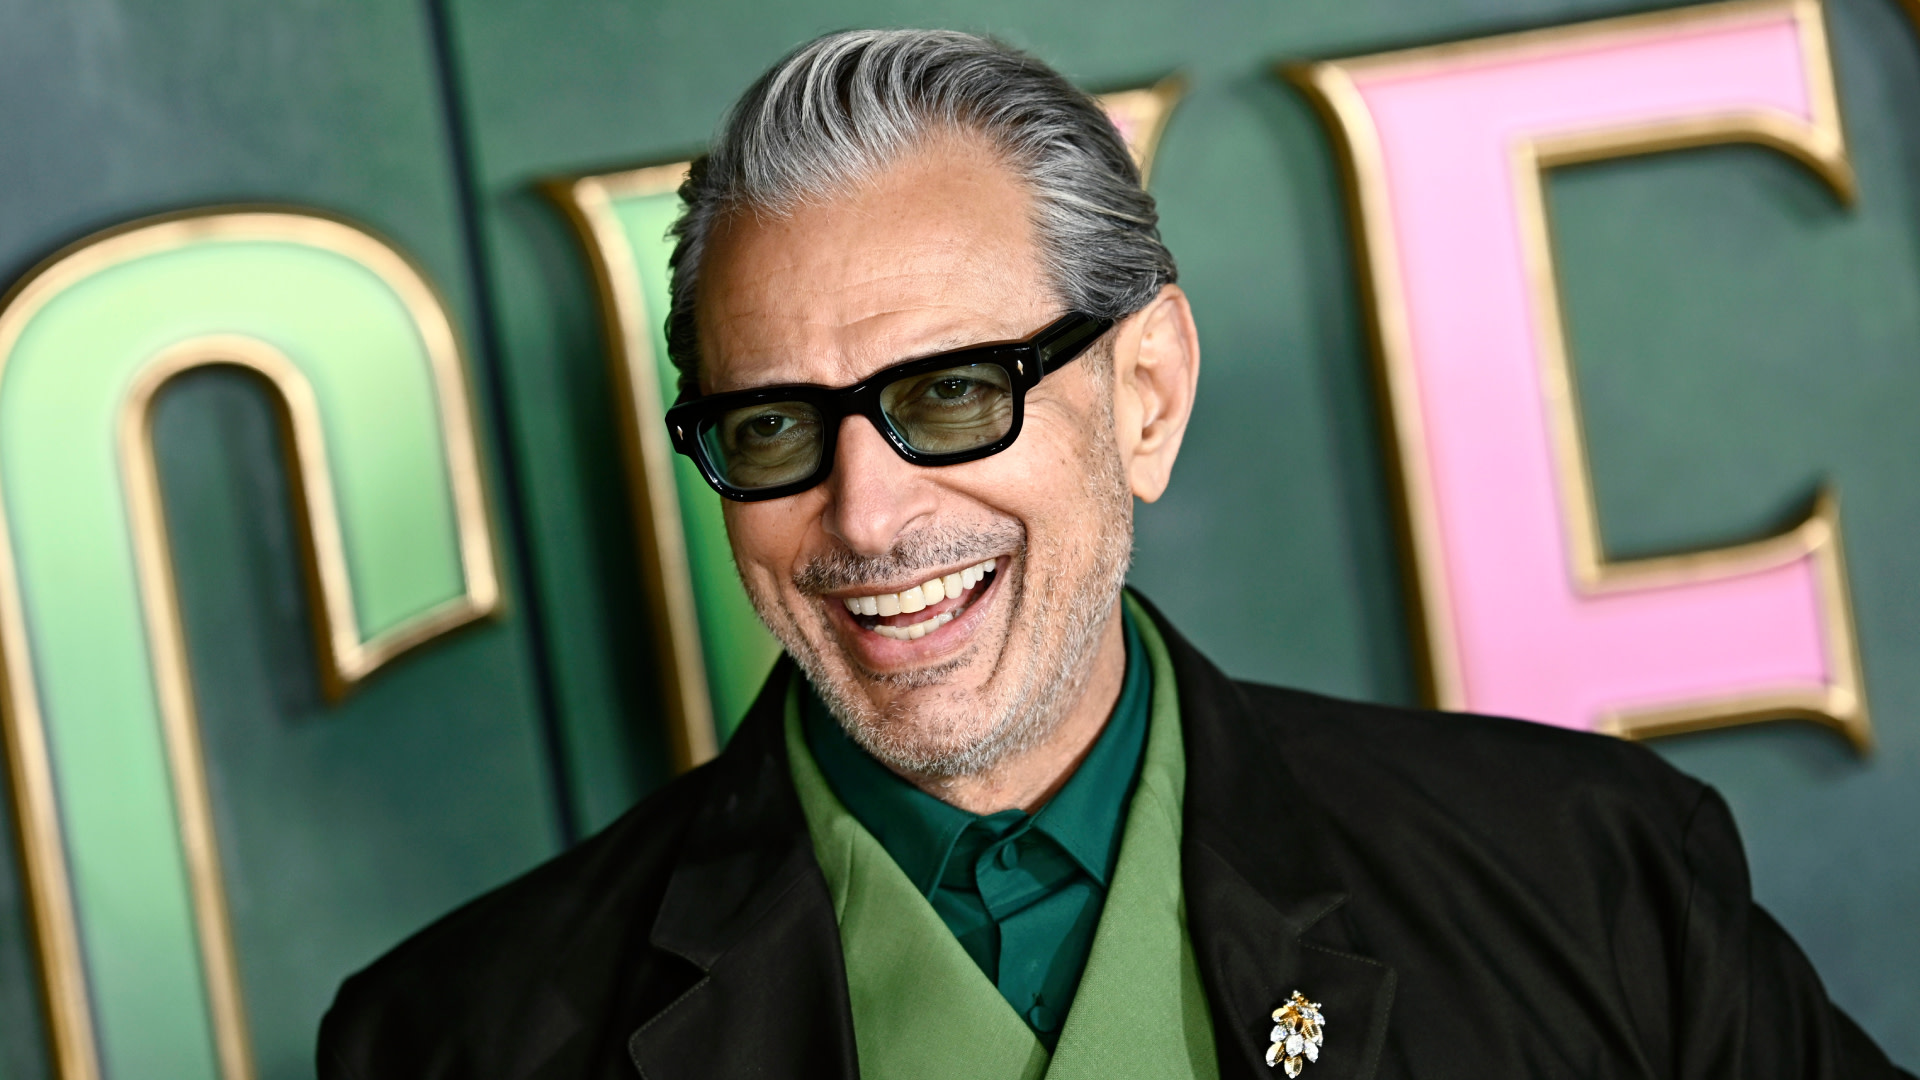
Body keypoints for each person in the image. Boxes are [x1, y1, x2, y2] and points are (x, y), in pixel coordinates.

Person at [318, 29, 1911, 1080]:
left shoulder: (1595, 883)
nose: (865, 518)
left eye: (950, 392)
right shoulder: (451, 1043)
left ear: (1143, 395)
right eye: (776, 430)